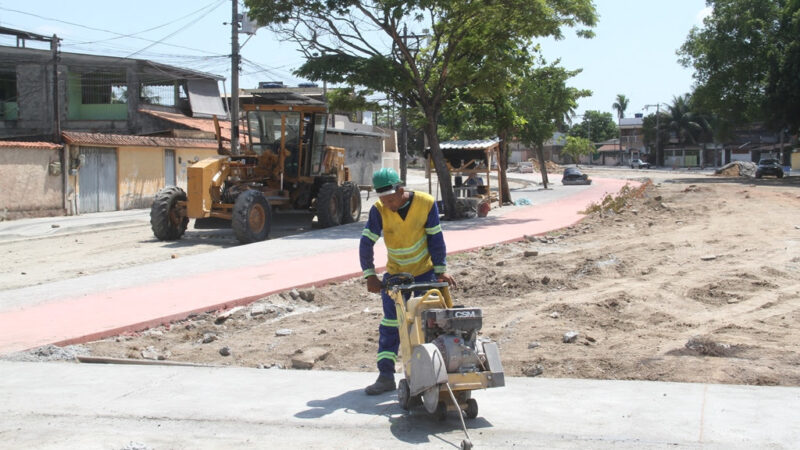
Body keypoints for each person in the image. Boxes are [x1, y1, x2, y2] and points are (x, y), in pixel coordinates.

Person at [359, 167, 457, 395]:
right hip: (395, 274)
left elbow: (435, 237)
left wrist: (441, 271)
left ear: (401, 190)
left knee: (435, 319)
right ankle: (385, 376)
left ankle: (443, 369)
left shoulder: (425, 203)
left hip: (424, 271)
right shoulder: (378, 210)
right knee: (392, 323)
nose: (388, 205)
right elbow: (366, 242)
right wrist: (370, 275)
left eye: (391, 200)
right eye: (383, 200)